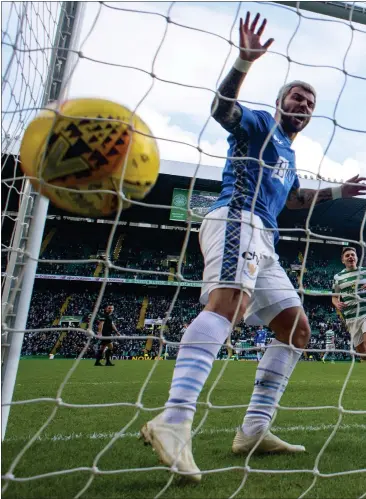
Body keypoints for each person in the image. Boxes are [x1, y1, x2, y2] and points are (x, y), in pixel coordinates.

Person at [140, 12, 366, 482]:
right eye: (296, 95)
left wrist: (337, 194)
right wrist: (243, 62)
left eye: (309, 100)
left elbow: (296, 198)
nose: (302, 102)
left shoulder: (288, 153)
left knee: (297, 329)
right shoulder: (259, 125)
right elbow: (223, 109)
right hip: (236, 219)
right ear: (281, 102)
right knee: (229, 305)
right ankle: (175, 418)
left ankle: (254, 430)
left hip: (266, 237)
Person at [332, 247, 366, 356]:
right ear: (343, 260)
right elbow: (334, 297)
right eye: (347, 255)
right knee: (362, 353)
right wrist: (337, 303)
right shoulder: (338, 277)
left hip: (365, 313)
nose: (350, 256)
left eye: (352, 255)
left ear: (356, 258)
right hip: (351, 318)